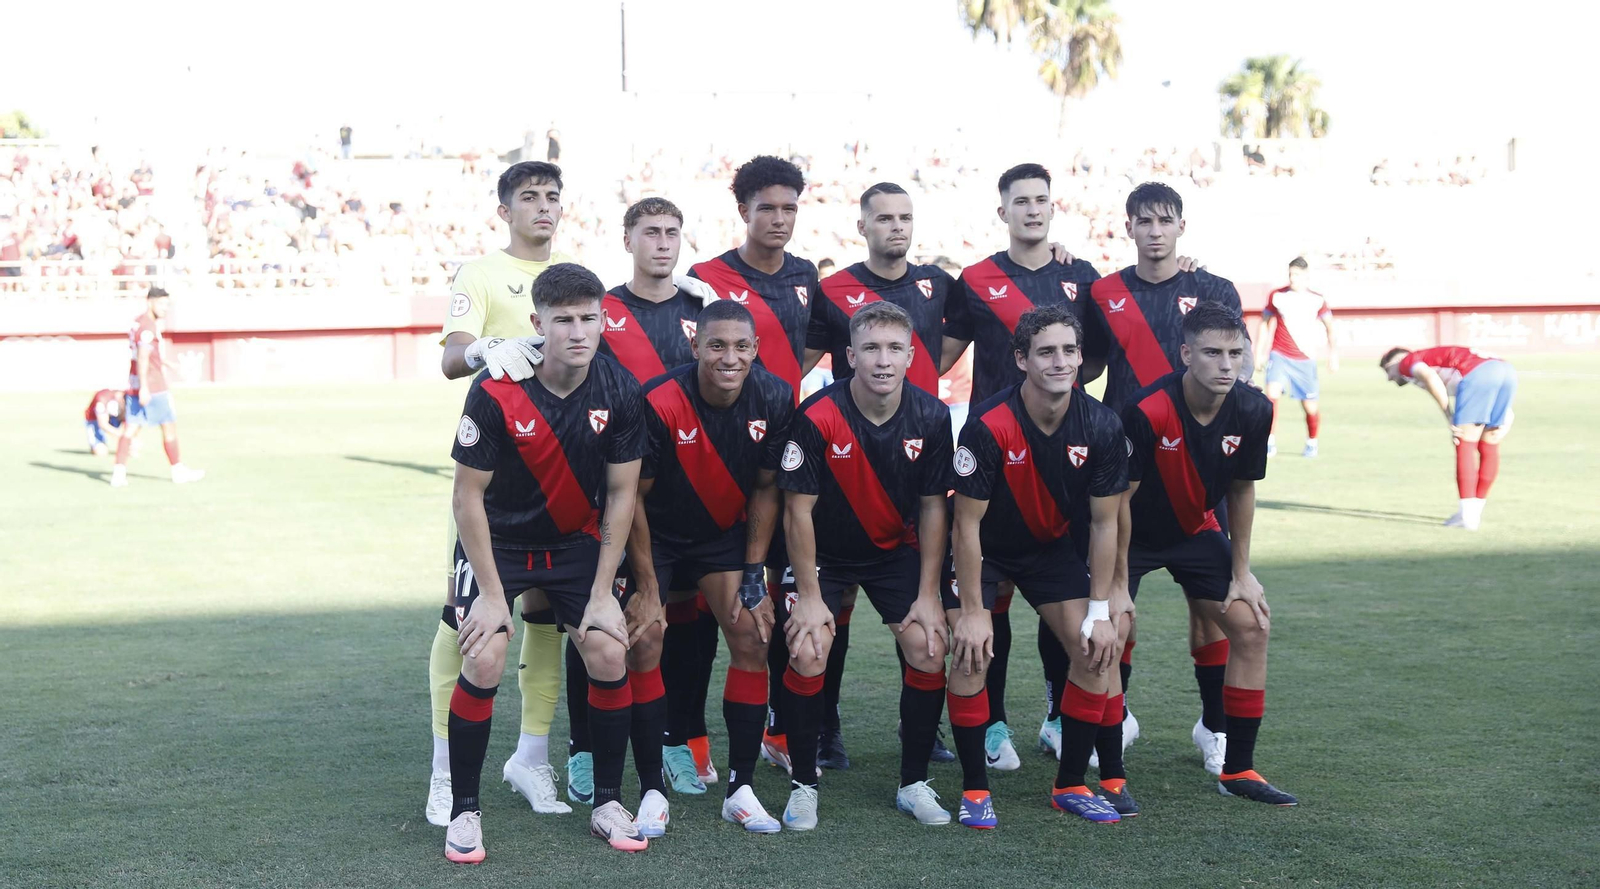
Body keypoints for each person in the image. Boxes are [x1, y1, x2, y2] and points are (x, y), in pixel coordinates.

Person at [444, 262, 650, 862]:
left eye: (590, 318)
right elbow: (467, 497)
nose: (579, 332)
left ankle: (607, 802)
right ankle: (463, 811)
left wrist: (605, 589)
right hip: (497, 544)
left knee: (610, 646)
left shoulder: (619, 390)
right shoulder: (495, 388)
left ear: (604, 320)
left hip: (574, 544)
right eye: (564, 320)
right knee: (484, 655)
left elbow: (620, 496)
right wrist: (487, 591)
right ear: (538, 323)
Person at [1065, 181, 1239, 775]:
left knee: (1208, 606)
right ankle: (1120, 712)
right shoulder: (1104, 290)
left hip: (1196, 467)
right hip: (1123, 466)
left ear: (1181, 227)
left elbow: (1230, 366)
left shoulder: (1212, 288)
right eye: (1145, 220)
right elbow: (1083, 365)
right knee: (1113, 603)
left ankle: (1213, 725)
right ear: (1129, 226)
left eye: (1166, 220)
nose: (1156, 230)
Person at [939, 163, 1107, 774]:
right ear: (1002, 210)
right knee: (992, 602)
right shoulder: (977, 277)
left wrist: (1058, 404)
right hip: (992, 453)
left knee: (1061, 589)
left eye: (1041, 200)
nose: (1032, 210)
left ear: (1051, 208)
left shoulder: (1080, 276)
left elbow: (1095, 360)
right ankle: (992, 722)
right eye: (1020, 201)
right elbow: (942, 354)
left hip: (1064, 461)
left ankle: (1060, 715)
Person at [427, 161, 573, 827]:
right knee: (467, 621)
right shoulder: (481, 273)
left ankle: (531, 756)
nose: (543, 207)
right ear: (504, 209)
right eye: (529, 198)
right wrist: (492, 344)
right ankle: (444, 769)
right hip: (494, 467)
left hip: (564, 472)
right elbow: (452, 356)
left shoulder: (573, 272)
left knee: (545, 615)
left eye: (552, 197)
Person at [949, 305, 1129, 827]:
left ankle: (1071, 783)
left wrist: (1100, 607)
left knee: (1097, 650)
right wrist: (976, 610)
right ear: (1021, 359)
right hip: (986, 550)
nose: (1060, 361)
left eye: (1069, 350)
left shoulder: (1101, 424)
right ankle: (975, 791)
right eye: (1046, 351)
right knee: (969, 652)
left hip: (1050, 552)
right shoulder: (987, 424)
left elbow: (1104, 524)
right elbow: (966, 527)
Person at [777, 301, 955, 829]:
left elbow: (932, 508)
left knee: (928, 646)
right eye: (871, 349)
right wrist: (809, 597)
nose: (883, 360)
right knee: (809, 649)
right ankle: (804, 783)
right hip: (823, 557)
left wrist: (928, 594)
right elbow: (797, 511)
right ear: (849, 355)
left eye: (894, 349)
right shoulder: (817, 415)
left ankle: (913, 783)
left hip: (892, 552)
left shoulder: (932, 415)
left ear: (910, 355)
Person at [802, 182, 962, 770]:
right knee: (830, 613)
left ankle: (922, 731)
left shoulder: (939, 285)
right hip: (847, 460)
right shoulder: (832, 290)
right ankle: (823, 728)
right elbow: (802, 359)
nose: (897, 227)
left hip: (913, 457)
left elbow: (950, 349)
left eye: (905, 217)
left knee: (923, 611)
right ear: (862, 225)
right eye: (884, 218)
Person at [569, 196, 722, 805]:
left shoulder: (701, 306)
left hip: (694, 494)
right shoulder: (602, 310)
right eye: (650, 232)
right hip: (615, 490)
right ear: (627, 238)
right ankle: (583, 752)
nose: (662, 242)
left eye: (672, 232)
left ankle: (678, 743)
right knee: (605, 624)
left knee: (691, 625)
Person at [1119, 302, 1296, 807]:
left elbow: (1241, 490)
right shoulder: (1147, 409)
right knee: (1111, 629)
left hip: (1196, 531)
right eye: (1213, 353)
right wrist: (1111, 581)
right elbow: (1118, 502)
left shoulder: (1255, 409)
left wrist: (1242, 571)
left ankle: (1238, 769)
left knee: (1252, 624)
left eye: (1235, 353)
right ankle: (1109, 764)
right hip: (1132, 536)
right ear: (1186, 354)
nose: (1226, 364)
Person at [631, 299, 794, 834]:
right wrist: (650, 585)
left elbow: (768, 489)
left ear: (755, 350)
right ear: (694, 345)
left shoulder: (774, 395)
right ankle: (652, 789)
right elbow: (631, 498)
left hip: (723, 537)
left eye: (741, 346)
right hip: (657, 535)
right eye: (717, 345)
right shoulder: (659, 400)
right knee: (646, 638)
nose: (729, 357)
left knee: (752, 637)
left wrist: (753, 573)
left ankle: (740, 788)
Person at [689, 155, 818, 778]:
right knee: (701, 612)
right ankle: (687, 734)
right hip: (715, 459)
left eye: (789, 207)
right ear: (743, 211)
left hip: (783, 451)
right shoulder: (706, 276)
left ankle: (782, 728)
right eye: (766, 206)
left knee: (778, 600)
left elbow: (809, 345)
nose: (779, 218)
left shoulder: (805, 274)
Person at [1380, 345, 1516, 530]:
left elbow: (1429, 377)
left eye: (1388, 369)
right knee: (1489, 444)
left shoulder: (1407, 362)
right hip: (1506, 371)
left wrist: (1449, 415)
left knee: (1463, 441)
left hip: (1478, 373)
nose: (1389, 378)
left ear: (1396, 360)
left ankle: (1467, 517)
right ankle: (1472, 511)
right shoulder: (1434, 358)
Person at [110, 287, 204, 488]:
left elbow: (148, 356)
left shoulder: (138, 323)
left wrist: (169, 365)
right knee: (168, 426)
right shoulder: (148, 327)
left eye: (167, 304)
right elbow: (143, 356)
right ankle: (178, 470)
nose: (165, 308)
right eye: (162, 304)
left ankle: (118, 473)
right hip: (153, 386)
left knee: (131, 428)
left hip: (135, 383)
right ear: (150, 301)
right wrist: (145, 387)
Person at [1255, 257, 1337, 458]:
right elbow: (1265, 323)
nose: (1293, 278)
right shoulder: (1277, 296)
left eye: (1297, 274)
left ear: (1306, 276)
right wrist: (1258, 352)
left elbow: (1330, 328)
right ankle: (1269, 442)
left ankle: (1312, 442)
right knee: (1271, 395)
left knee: (1310, 406)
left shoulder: (1317, 299)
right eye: (1291, 274)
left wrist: (1332, 355)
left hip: (1305, 359)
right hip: (1279, 354)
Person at [84, 388, 126, 456]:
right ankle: (97, 444)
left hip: (115, 419)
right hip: (95, 420)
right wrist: (122, 436)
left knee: (132, 450)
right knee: (101, 452)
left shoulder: (127, 399)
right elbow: (103, 424)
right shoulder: (102, 398)